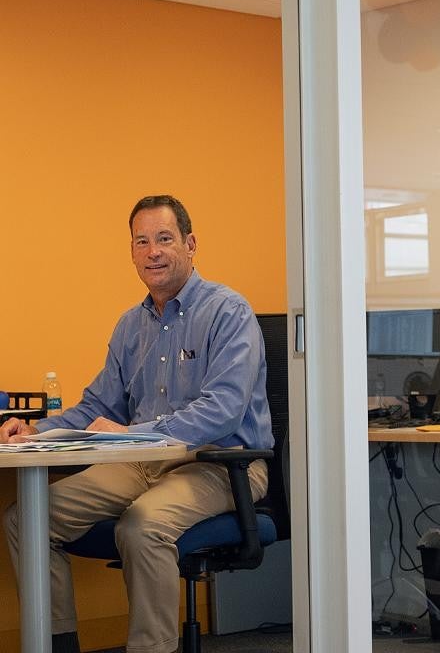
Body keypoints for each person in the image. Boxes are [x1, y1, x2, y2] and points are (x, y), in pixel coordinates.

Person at [1, 194, 273, 653]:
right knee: (24, 520)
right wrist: (35, 431)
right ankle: (56, 644)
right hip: (140, 463)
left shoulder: (228, 311)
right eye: (141, 241)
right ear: (131, 252)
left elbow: (223, 407)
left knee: (142, 525)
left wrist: (139, 435)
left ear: (190, 244)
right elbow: (96, 405)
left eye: (164, 239)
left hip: (221, 464)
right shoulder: (131, 325)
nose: (153, 251)